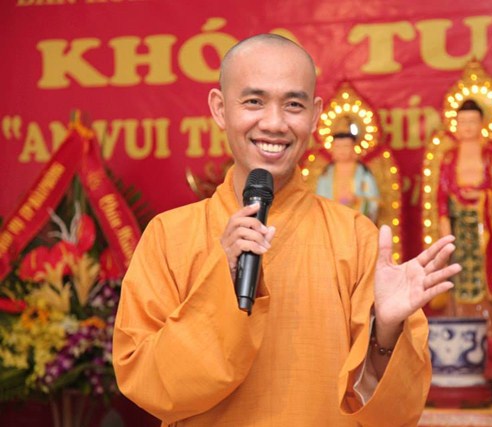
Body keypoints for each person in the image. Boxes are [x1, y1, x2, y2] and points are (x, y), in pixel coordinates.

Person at [113, 34, 461, 426]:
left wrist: (387, 331)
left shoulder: (355, 237)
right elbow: (147, 385)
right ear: (220, 108)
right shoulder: (168, 236)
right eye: (254, 101)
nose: (275, 123)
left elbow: (396, 413)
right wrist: (220, 282)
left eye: (293, 105)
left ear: (314, 116)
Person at [437, 99, 492, 336]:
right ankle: (457, 317)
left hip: (483, 225)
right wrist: (444, 221)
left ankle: (486, 319)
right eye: (463, 122)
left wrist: (483, 196)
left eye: (472, 121)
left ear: (482, 124)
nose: (467, 127)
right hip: (458, 224)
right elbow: (442, 194)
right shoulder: (449, 158)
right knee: (457, 271)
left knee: (483, 270)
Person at [316, 132, 380, 222]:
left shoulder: (363, 172)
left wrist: (357, 200)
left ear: (353, 148)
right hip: (333, 220)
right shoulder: (326, 174)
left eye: (346, 146)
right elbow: (320, 200)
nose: (341, 150)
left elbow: (373, 201)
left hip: (357, 222)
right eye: (337, 147)